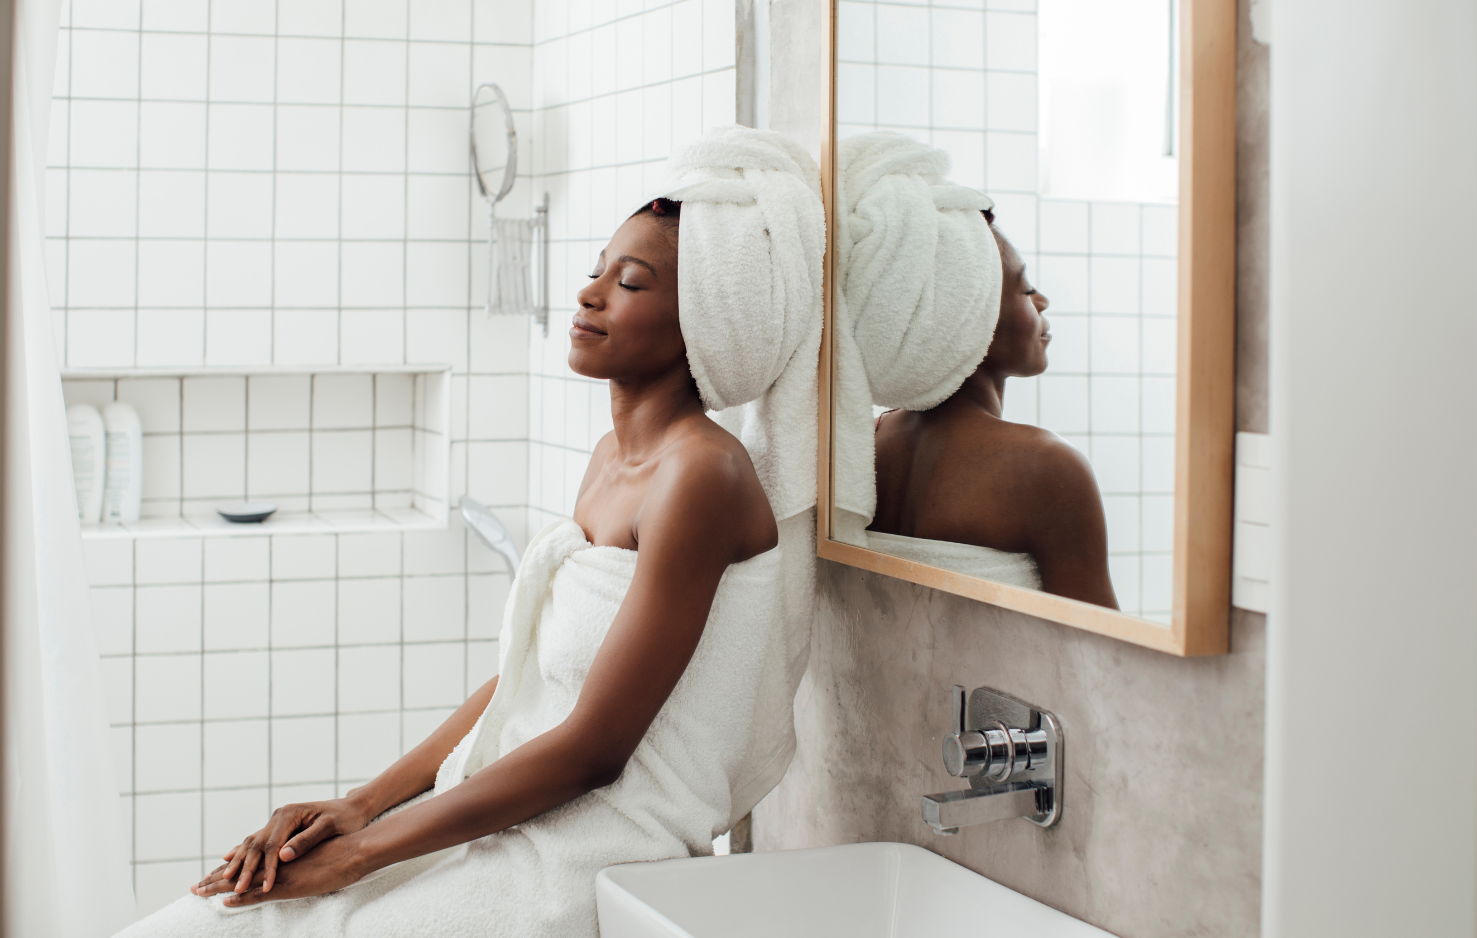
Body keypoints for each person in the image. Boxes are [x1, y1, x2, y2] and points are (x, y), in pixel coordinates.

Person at [116, 126, 824, 938]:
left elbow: (597, 746)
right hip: (508, 813)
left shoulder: (701, 476)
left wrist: (363, 855)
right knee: (204, 920)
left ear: (707, 316)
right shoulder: (611, 460)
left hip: (589, 853)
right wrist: (361, 806)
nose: (589, 295)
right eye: (595, 272)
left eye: (629, 283)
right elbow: (527, 672)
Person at [867, 220, 1119, 608]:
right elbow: (1099, 651)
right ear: (970, 315)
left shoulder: (866, 443)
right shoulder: (1046, 467)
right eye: (1025, 288)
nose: (1042, 301)